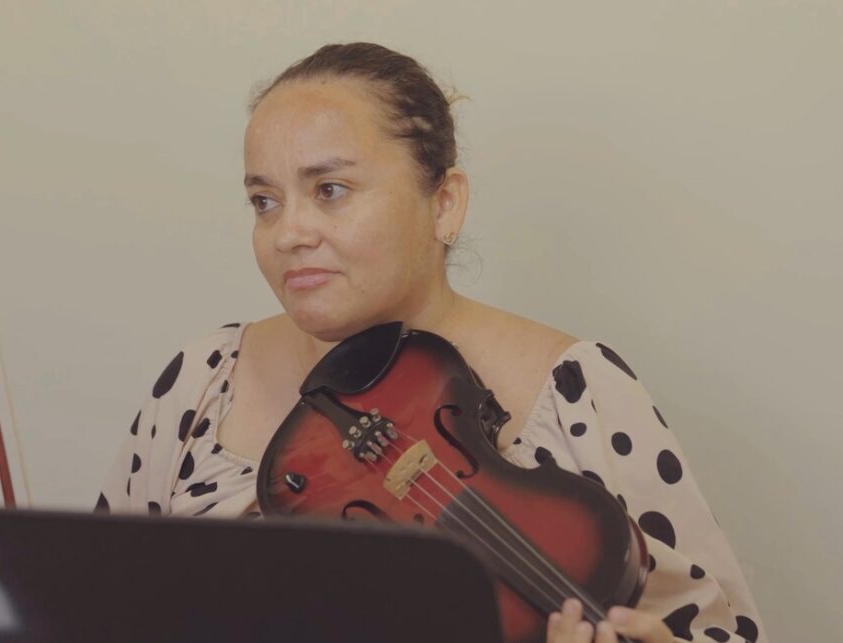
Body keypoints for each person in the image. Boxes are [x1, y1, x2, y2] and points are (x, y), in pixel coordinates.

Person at [96, 42, 764, 643]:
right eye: (264, 201)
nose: (288, 233)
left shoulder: (578, 390)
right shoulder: (203, 380)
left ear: (444, 203)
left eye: (330, 190)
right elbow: (94, 603)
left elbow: (724, 630)